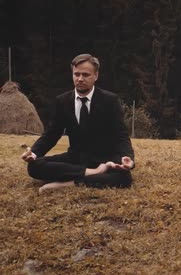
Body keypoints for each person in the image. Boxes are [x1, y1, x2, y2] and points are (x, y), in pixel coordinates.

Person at [21, 54, 135, 193]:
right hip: (75, 157)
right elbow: (52, 133)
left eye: (86, 75)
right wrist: (34, 153)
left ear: (96, 75)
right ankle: (93, 173)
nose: (80, 79)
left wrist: (126, 156)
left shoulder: (109, 100)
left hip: (104, 157)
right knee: (34, 166)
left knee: (123, 178)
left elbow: (121, 134)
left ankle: (71, 182)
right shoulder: (62, 101)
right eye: (77, 74)